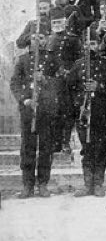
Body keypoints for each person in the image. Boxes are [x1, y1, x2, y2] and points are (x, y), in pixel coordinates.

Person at [10, 24, 63, 198]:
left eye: (40, 38)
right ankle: (27, 185)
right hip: (28, 109)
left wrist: (45, 79)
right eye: (34, 38)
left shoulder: (53, 59)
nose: (37, 41)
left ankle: (42, 184)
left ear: (46, 39)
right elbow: (15, 83)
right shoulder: (23, 60)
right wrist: (24, 99)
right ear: (29, 40)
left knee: (46, 148)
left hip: (46, 110)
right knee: (27, 148)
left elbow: (60, 82)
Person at [68, 21, 106, 197]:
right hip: (83, 113)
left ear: (99, 45)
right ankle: (87, 184)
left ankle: (98, 184)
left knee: (100, 149)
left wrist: (100, 87)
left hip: (102, 114)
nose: (90, 47)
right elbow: (69, 86)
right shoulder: (78, 65)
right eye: (87, 43)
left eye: (94, 43)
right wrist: (78, 103)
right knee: (86, 149)